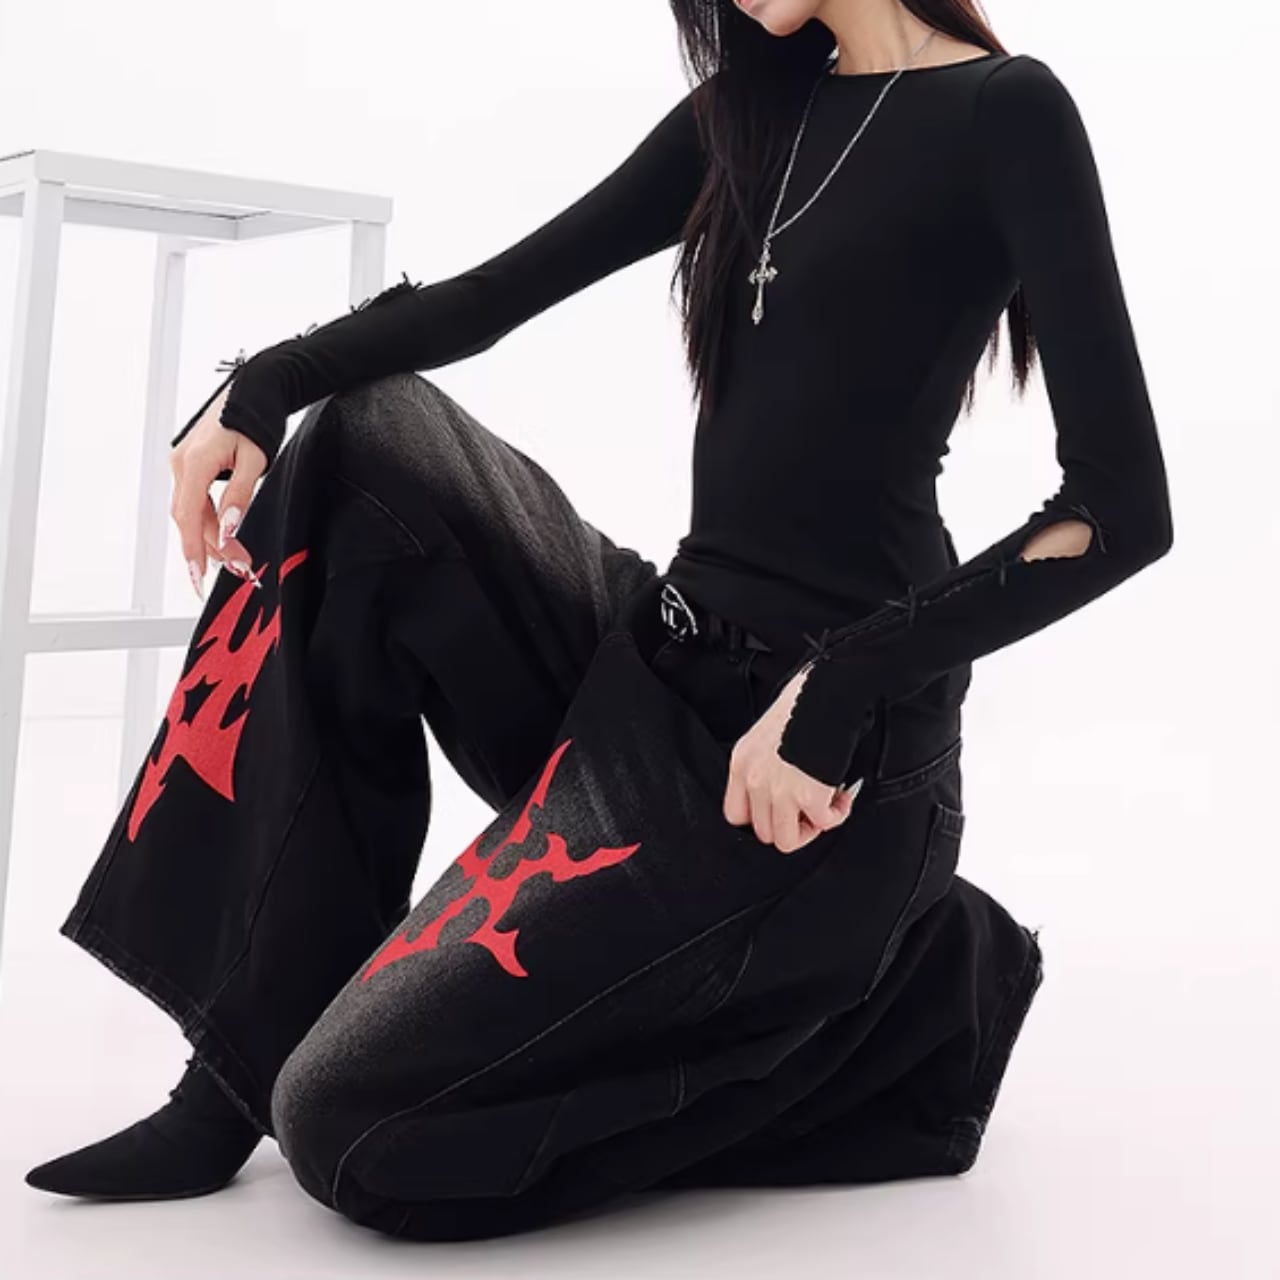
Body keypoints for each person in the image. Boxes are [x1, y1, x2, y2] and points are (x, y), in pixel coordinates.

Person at [24, 0, 1172, 1242]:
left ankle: (905, 1007)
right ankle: (234, 1056)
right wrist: (265, 383)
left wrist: (841, 679)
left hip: (812, 779)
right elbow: (494, 294)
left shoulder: (1006, 112)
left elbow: (1119, 509)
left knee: (350, 1130)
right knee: (365, 443)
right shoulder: (746, 115)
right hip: (658, 665)